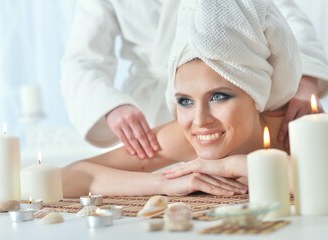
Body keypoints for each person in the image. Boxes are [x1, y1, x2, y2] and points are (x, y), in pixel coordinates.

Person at [62, 0, 308, 198]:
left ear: (256, 93)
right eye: (185, 101)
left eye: (218, 97)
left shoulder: (296, 129)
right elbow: (69, 177)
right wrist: (164, 183)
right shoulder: (184, 138)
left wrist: (231, 166)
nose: (199, 120)